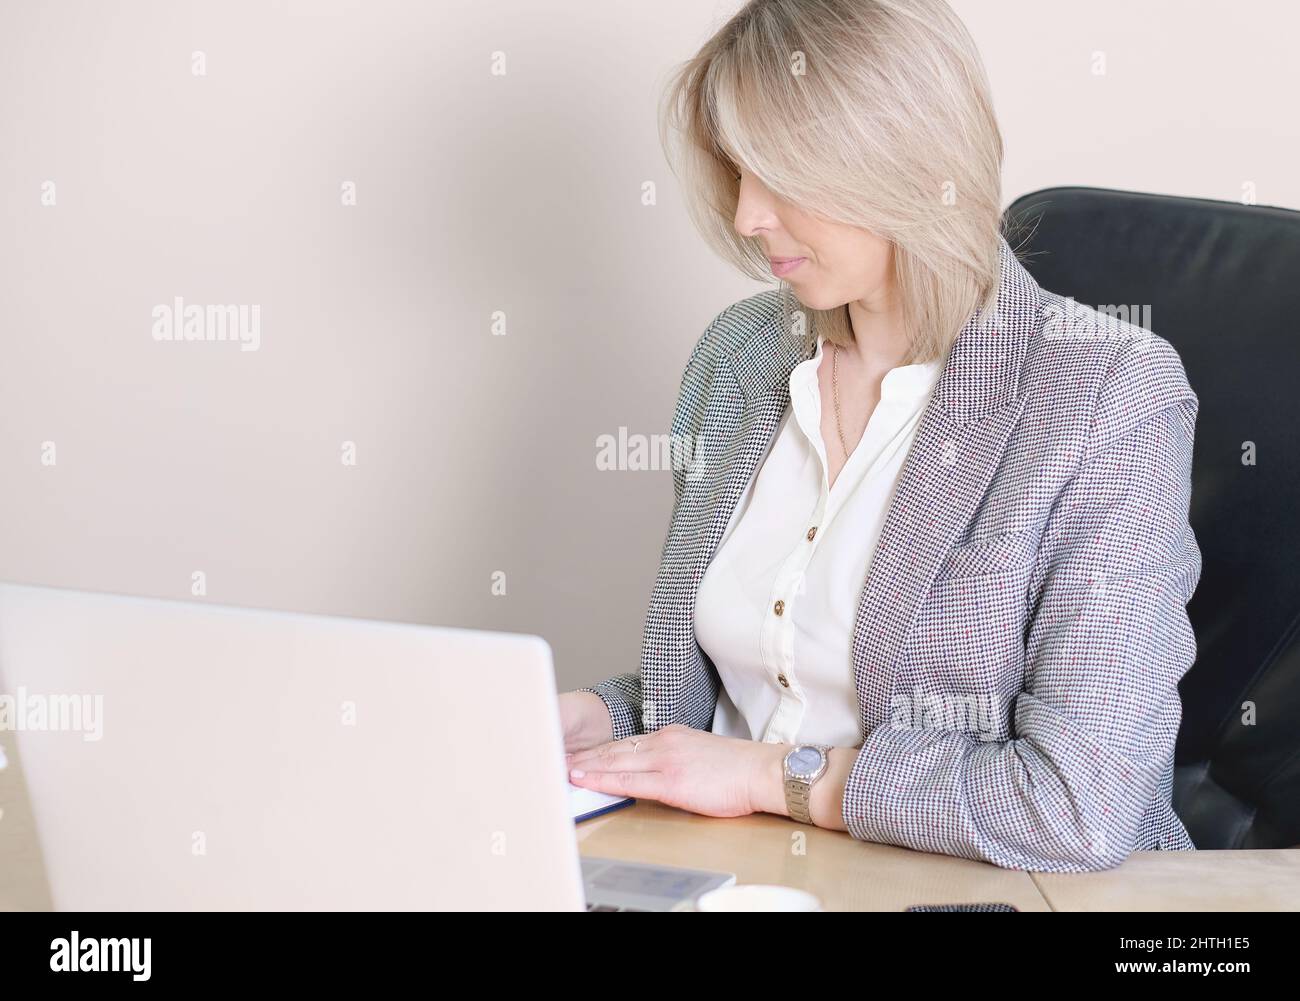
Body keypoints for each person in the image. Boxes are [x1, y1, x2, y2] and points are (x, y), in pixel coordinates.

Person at [561, 0, 1200, 872]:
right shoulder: (738, 356)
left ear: (902, 158)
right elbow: (772, 679)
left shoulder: (1106, 396)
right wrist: (603, 718)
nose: (747, 216)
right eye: (738, 171)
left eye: (780, 174)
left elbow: (1078, 804)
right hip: (720, 874)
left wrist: (769, 780)